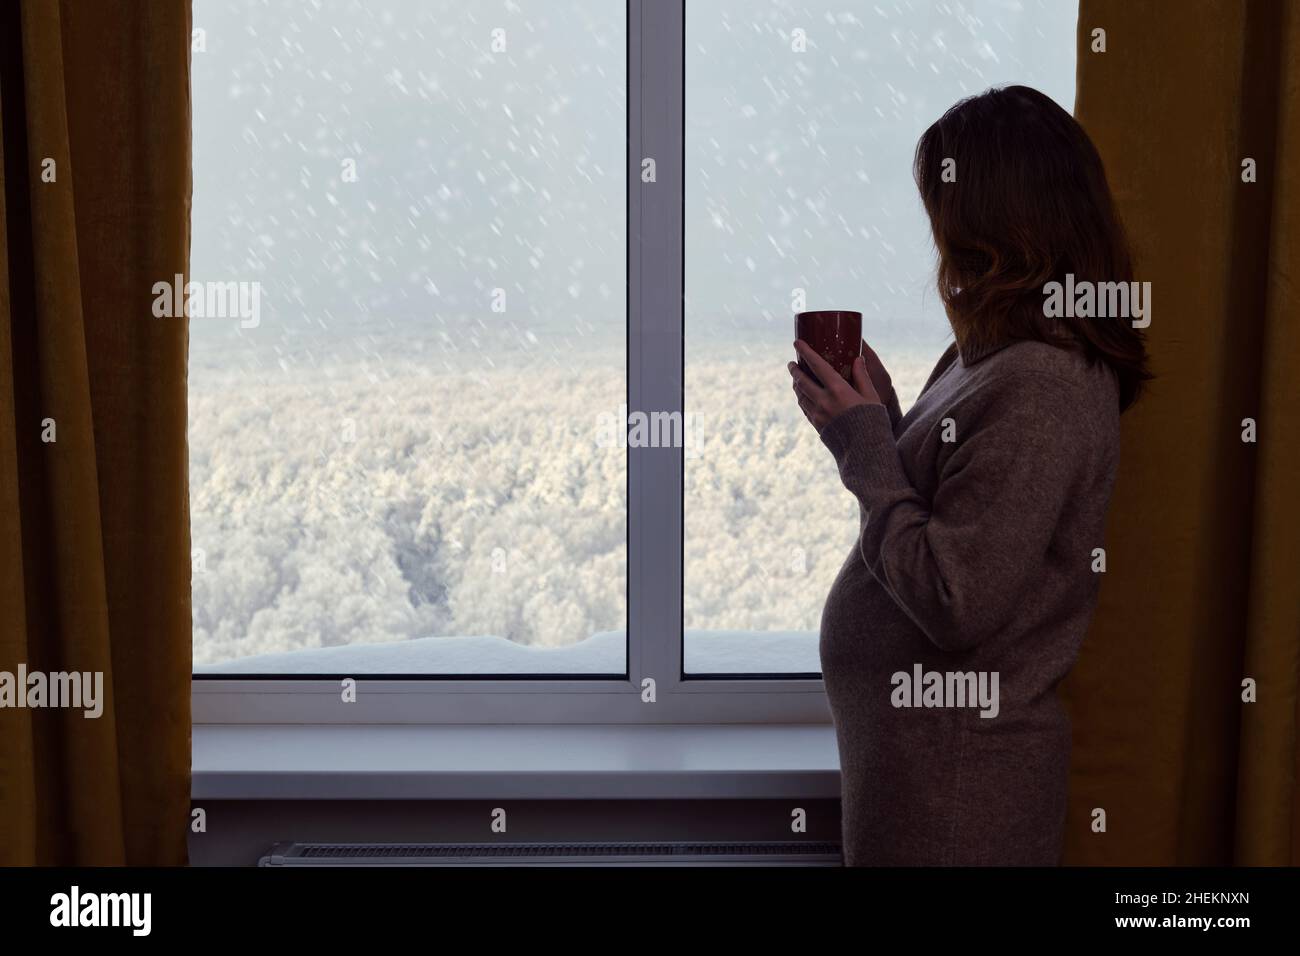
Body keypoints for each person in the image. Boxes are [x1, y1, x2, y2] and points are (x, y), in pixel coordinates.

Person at [787, 85, 1151, 866]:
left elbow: (956, 600)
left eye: (942, 208)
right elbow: (938, 512)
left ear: (990, 222)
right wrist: (880, 423)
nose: (937, 235)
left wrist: (866, 453)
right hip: (921, 782)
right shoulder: (986, 360)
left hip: (958, 802)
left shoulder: (1043, 386)